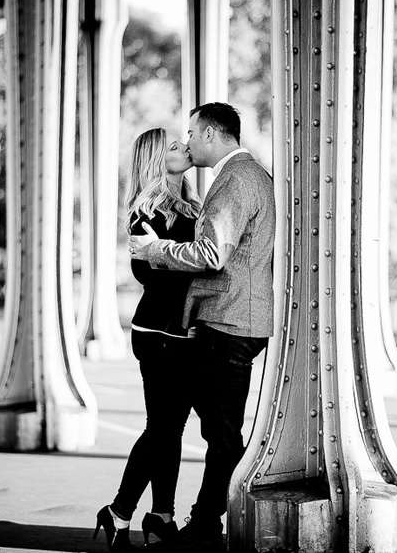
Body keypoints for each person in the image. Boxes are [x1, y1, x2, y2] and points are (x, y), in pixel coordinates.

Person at [129, 102, 276, 552]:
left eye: (191, 134)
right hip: (221, 322)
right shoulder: (253, 175)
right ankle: (169, 515)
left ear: (211, 134)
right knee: (189, 426)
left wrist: (155, 251)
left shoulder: (233, 180)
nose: (187, 143)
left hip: (227, 321)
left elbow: (212, 255)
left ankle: (203, 523)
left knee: (220, 433)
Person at [94, 128, 202, 552]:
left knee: (170, 429)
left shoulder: (195, 205)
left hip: (184, 331)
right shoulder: (145, 213)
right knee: (161, 429)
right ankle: (126, 512)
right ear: (159, 160)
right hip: (157, 334)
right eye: (175, 146)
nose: (185, 148)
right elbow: (150, 276)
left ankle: (157, 515)